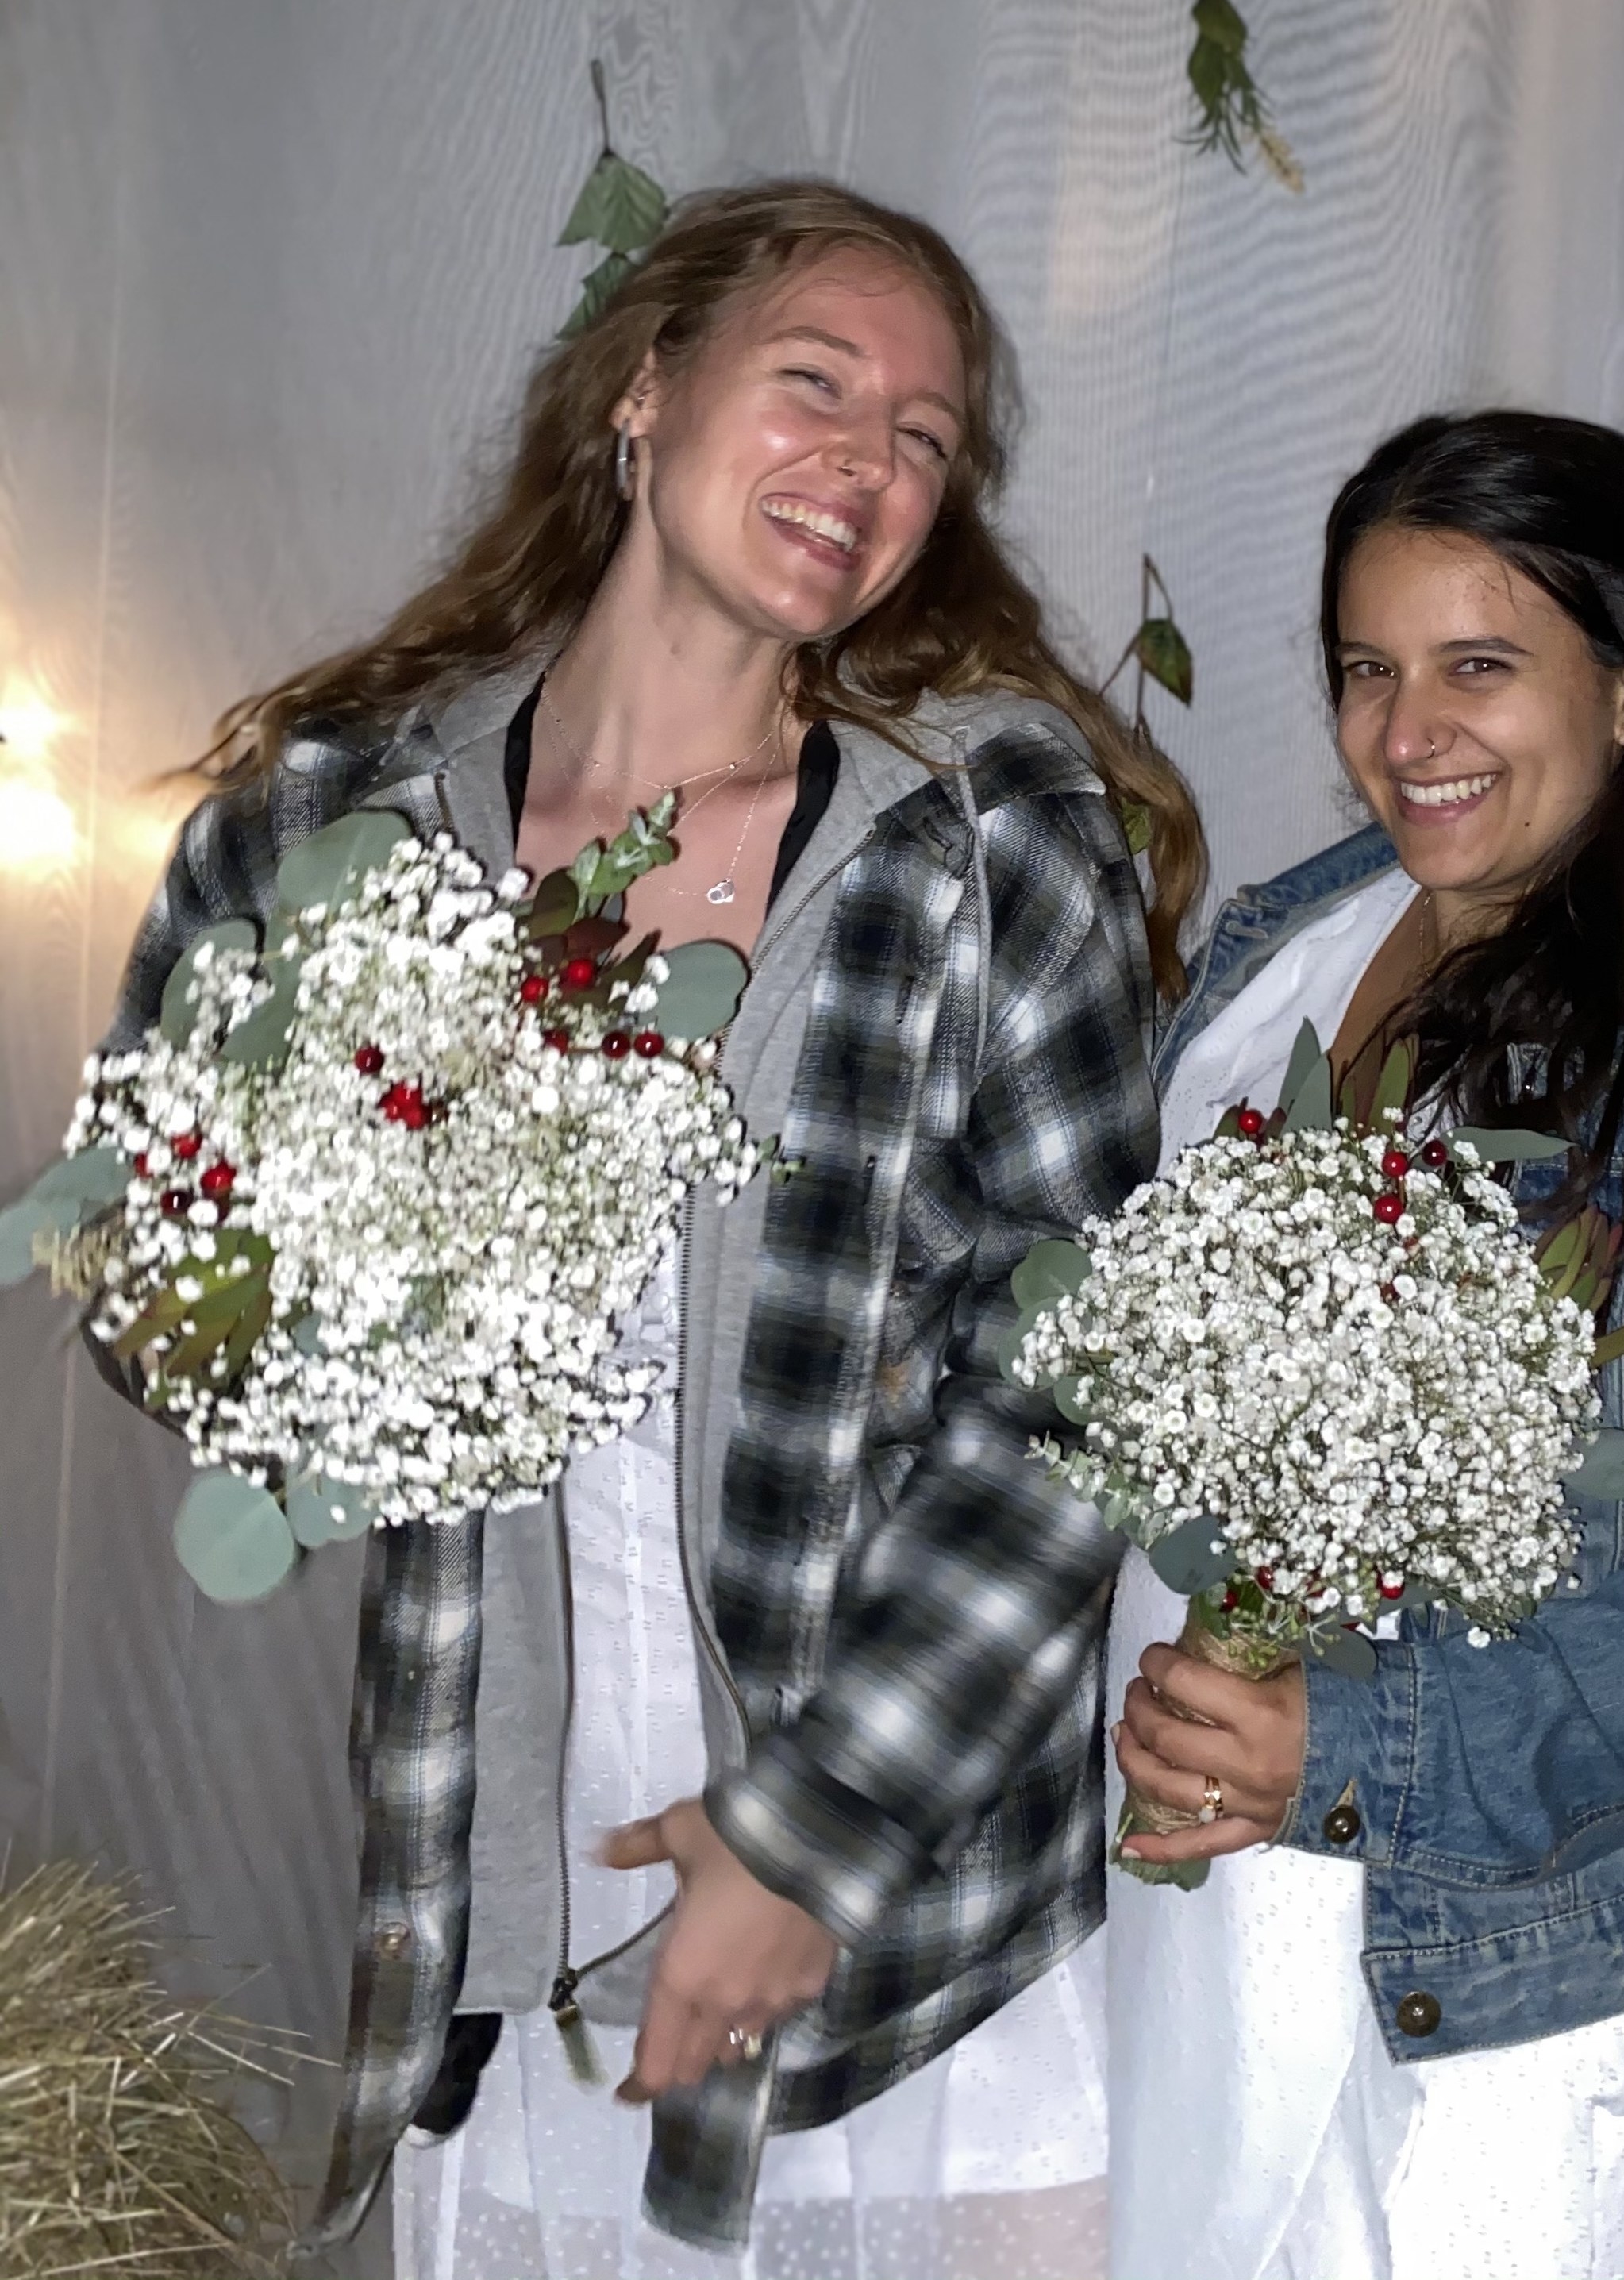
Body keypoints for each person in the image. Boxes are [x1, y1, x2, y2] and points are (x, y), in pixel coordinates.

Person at [104, 180, 1202, 2278]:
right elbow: (156, 1274)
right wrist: (340, 1327)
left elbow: (1091, 1378)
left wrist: (809, 1838)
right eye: (818, 383)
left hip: (901, 1950)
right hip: (510, 1887)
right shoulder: (327, 821)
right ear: (643, 388)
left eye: (927, 439)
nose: (872, 463)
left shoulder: (980, 839)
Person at [1105, 410, 1624, 2280]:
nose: (1408, 734)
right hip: (1217, 1949)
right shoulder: (1288, 947)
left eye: (1479, 666)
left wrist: (1358, 1743)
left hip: (1526, 2009)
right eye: (1367, 669)